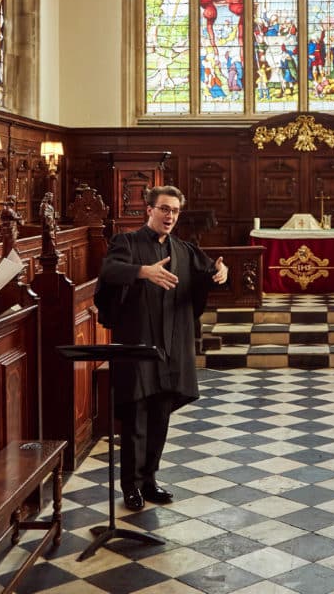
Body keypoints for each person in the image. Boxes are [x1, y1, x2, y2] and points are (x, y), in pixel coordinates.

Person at [98, 185, 227, 511]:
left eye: (175, 211)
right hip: (138, 344)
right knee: (136, 418)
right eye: (164, 209)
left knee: (159, 417)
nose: (170, 216)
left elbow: (210, 272)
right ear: (150, 210)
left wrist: (220, 273)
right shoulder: (126, 242)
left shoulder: (183, 250)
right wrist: (143, 271)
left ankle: (150, 480)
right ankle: (130, 486)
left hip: (172, 346)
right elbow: (109, 271)